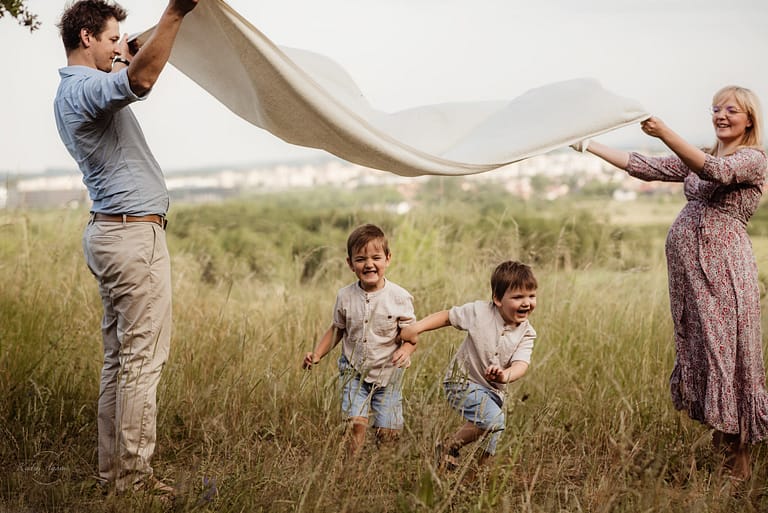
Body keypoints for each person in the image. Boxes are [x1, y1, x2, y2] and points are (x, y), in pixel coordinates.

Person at [573, 85, 768, 480]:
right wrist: (588, 145)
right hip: (690, 276)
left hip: (723, 272)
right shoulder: (703, 154)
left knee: (724, 355)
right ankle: (723, 451)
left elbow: (716, 173)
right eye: (715, 109)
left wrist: (666, 132)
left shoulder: (753, 159)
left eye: (730, 110)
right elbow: (645, 165)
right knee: (703, 351)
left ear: (749, 118)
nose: (721, 116)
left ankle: (740, 465)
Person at [54, 0, 199, 494]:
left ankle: (112, 473)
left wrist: (181, 17)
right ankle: (133, 481)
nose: (121, 46)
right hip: (131, 237)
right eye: (113, 39)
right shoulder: (86, 88)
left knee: (119, 360)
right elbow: (138, 79)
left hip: (116, 234)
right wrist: (176, 13)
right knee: (141, 360)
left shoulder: (75, 88)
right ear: (88, 38)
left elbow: (135, 56)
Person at [399, 261, 537, 469]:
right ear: (498, 299)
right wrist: (417, 328)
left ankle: (475, 480)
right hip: (461, 382)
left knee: (493, 433)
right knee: (494, 422)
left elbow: (521, 364)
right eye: (518, 297)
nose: (526, 302)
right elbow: (447, 317)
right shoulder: (479, 312)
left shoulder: (527, 333)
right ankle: (449, 446)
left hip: (494, 392)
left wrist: (504, 376)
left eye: (531, 296)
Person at [302, 224, 416, 456]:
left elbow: (411, 336)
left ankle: (382, 465)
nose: (369, 264)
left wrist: (406, 349)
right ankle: (352, 466)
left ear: (388, 259)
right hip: (353, 370)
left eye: (376, 257)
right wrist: (317, 354)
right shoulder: (345, 296)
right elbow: (337, 329)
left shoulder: (399, 297)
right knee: (356, 422)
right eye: (361, 259)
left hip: (388, 372)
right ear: (350, 263)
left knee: (388, 431)